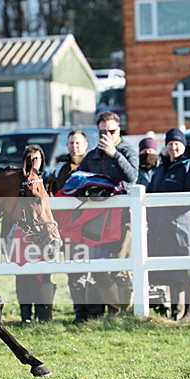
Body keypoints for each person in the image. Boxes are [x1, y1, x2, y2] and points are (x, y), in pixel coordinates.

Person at [77, 111, 138, 314]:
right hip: (98, 218)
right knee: (100, 270)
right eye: (102, 131)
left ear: (118, 129)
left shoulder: (127, 149)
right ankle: (115, 311)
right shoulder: (92, 155)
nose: (107, 135)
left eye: (111, 131)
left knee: (121, 269)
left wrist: (115, 154)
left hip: (124, 217)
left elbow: (132, 176)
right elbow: (79, 179)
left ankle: (127, 311)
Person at [146, 128, 190, 322]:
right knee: (171, 272)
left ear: (183, 145)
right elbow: (150, 193)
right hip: (164, 228)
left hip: (186, 227)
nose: (173, 147)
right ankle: (175, 311)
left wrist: (170, 211)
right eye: (170, 143)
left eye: (177, 143)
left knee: (189, 271)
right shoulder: (161, 168)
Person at [48, 129, 104, 322]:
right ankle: (80, 312)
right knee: (74, 272)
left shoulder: (92, 166)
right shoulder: (60, 169)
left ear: (86, 145)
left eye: (78, 143)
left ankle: (95, 312)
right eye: (71, 143)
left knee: (93, 270)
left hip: (90, 226)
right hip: (68, 227)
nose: (74, 146)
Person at [4, 145, 56, 322]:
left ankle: (43, 315)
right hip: (22, 234)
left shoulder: (49, 179)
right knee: (23, 276)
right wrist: (5, 237)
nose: (34, 162)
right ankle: (25, 315)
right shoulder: (18, 181)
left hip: (44, 231)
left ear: (41, 160)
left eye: (37, 158)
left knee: (43, 274)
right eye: (30, 158)